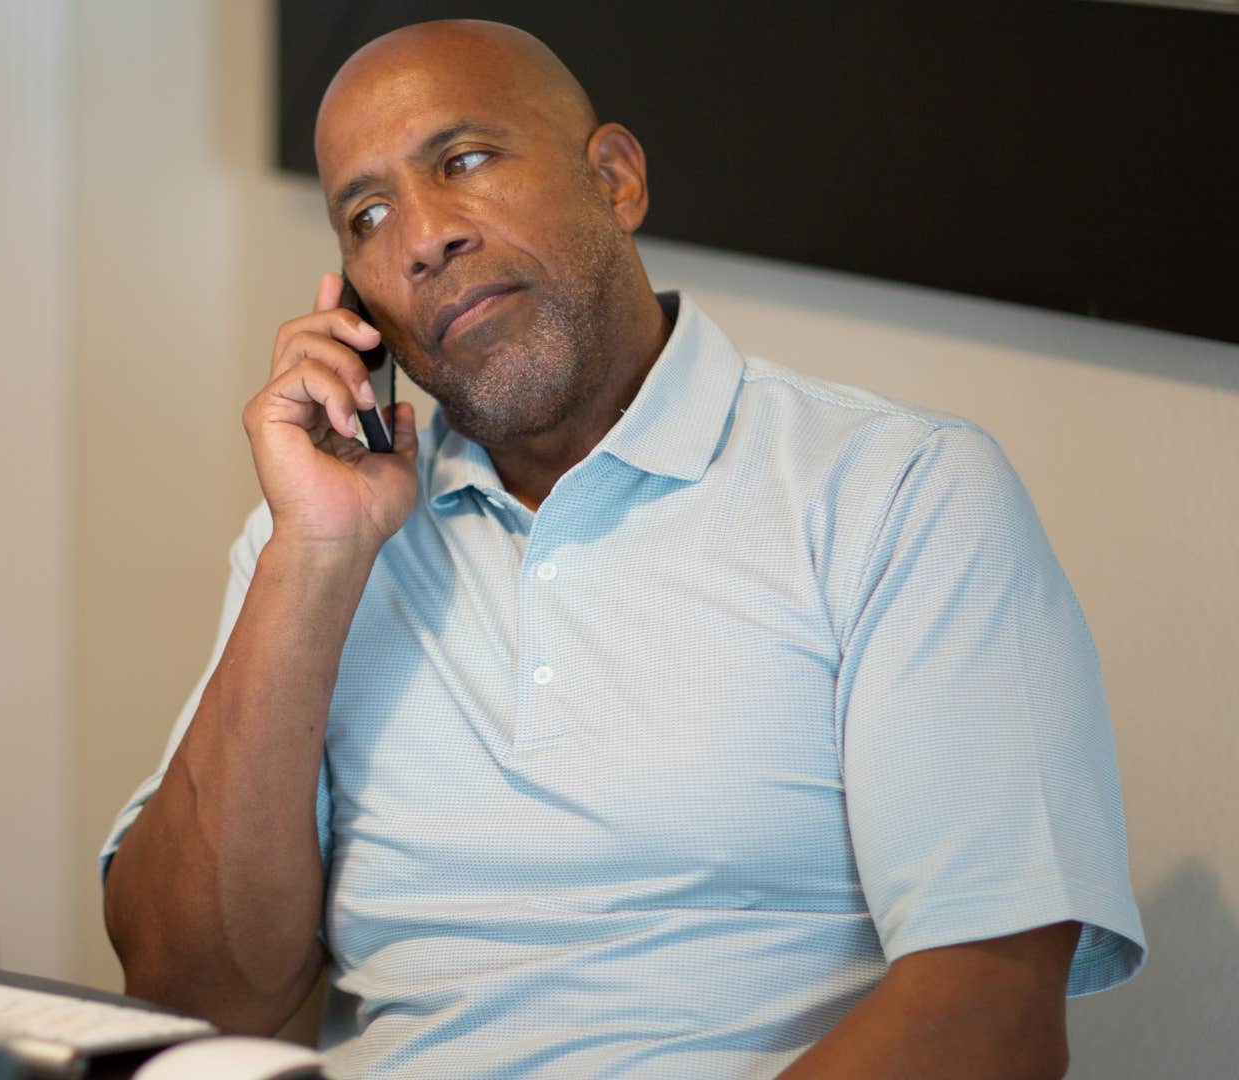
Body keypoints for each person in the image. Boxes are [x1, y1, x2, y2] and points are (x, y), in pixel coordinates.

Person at [100, 19, 1144, 1079]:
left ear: (616, 180)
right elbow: (187, 992)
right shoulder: (322, 539)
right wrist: (313, 560)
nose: (421, 239)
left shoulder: (899, 495)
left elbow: (988, 1022)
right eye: (368, 215)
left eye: (461, 162)